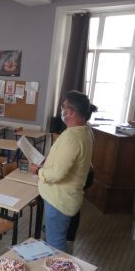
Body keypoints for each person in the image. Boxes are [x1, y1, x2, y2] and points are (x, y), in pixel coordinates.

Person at [29, 91, 96, 252]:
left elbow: (57, 174)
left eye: (63, 107)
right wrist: (48, 162)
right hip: (68, 197)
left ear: (70, 112)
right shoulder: (86, 131)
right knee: (58, 237)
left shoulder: (72, 137)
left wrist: (38, 171)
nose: (61, 110)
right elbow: (66, 162)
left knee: (56, 245)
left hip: (59, 200)